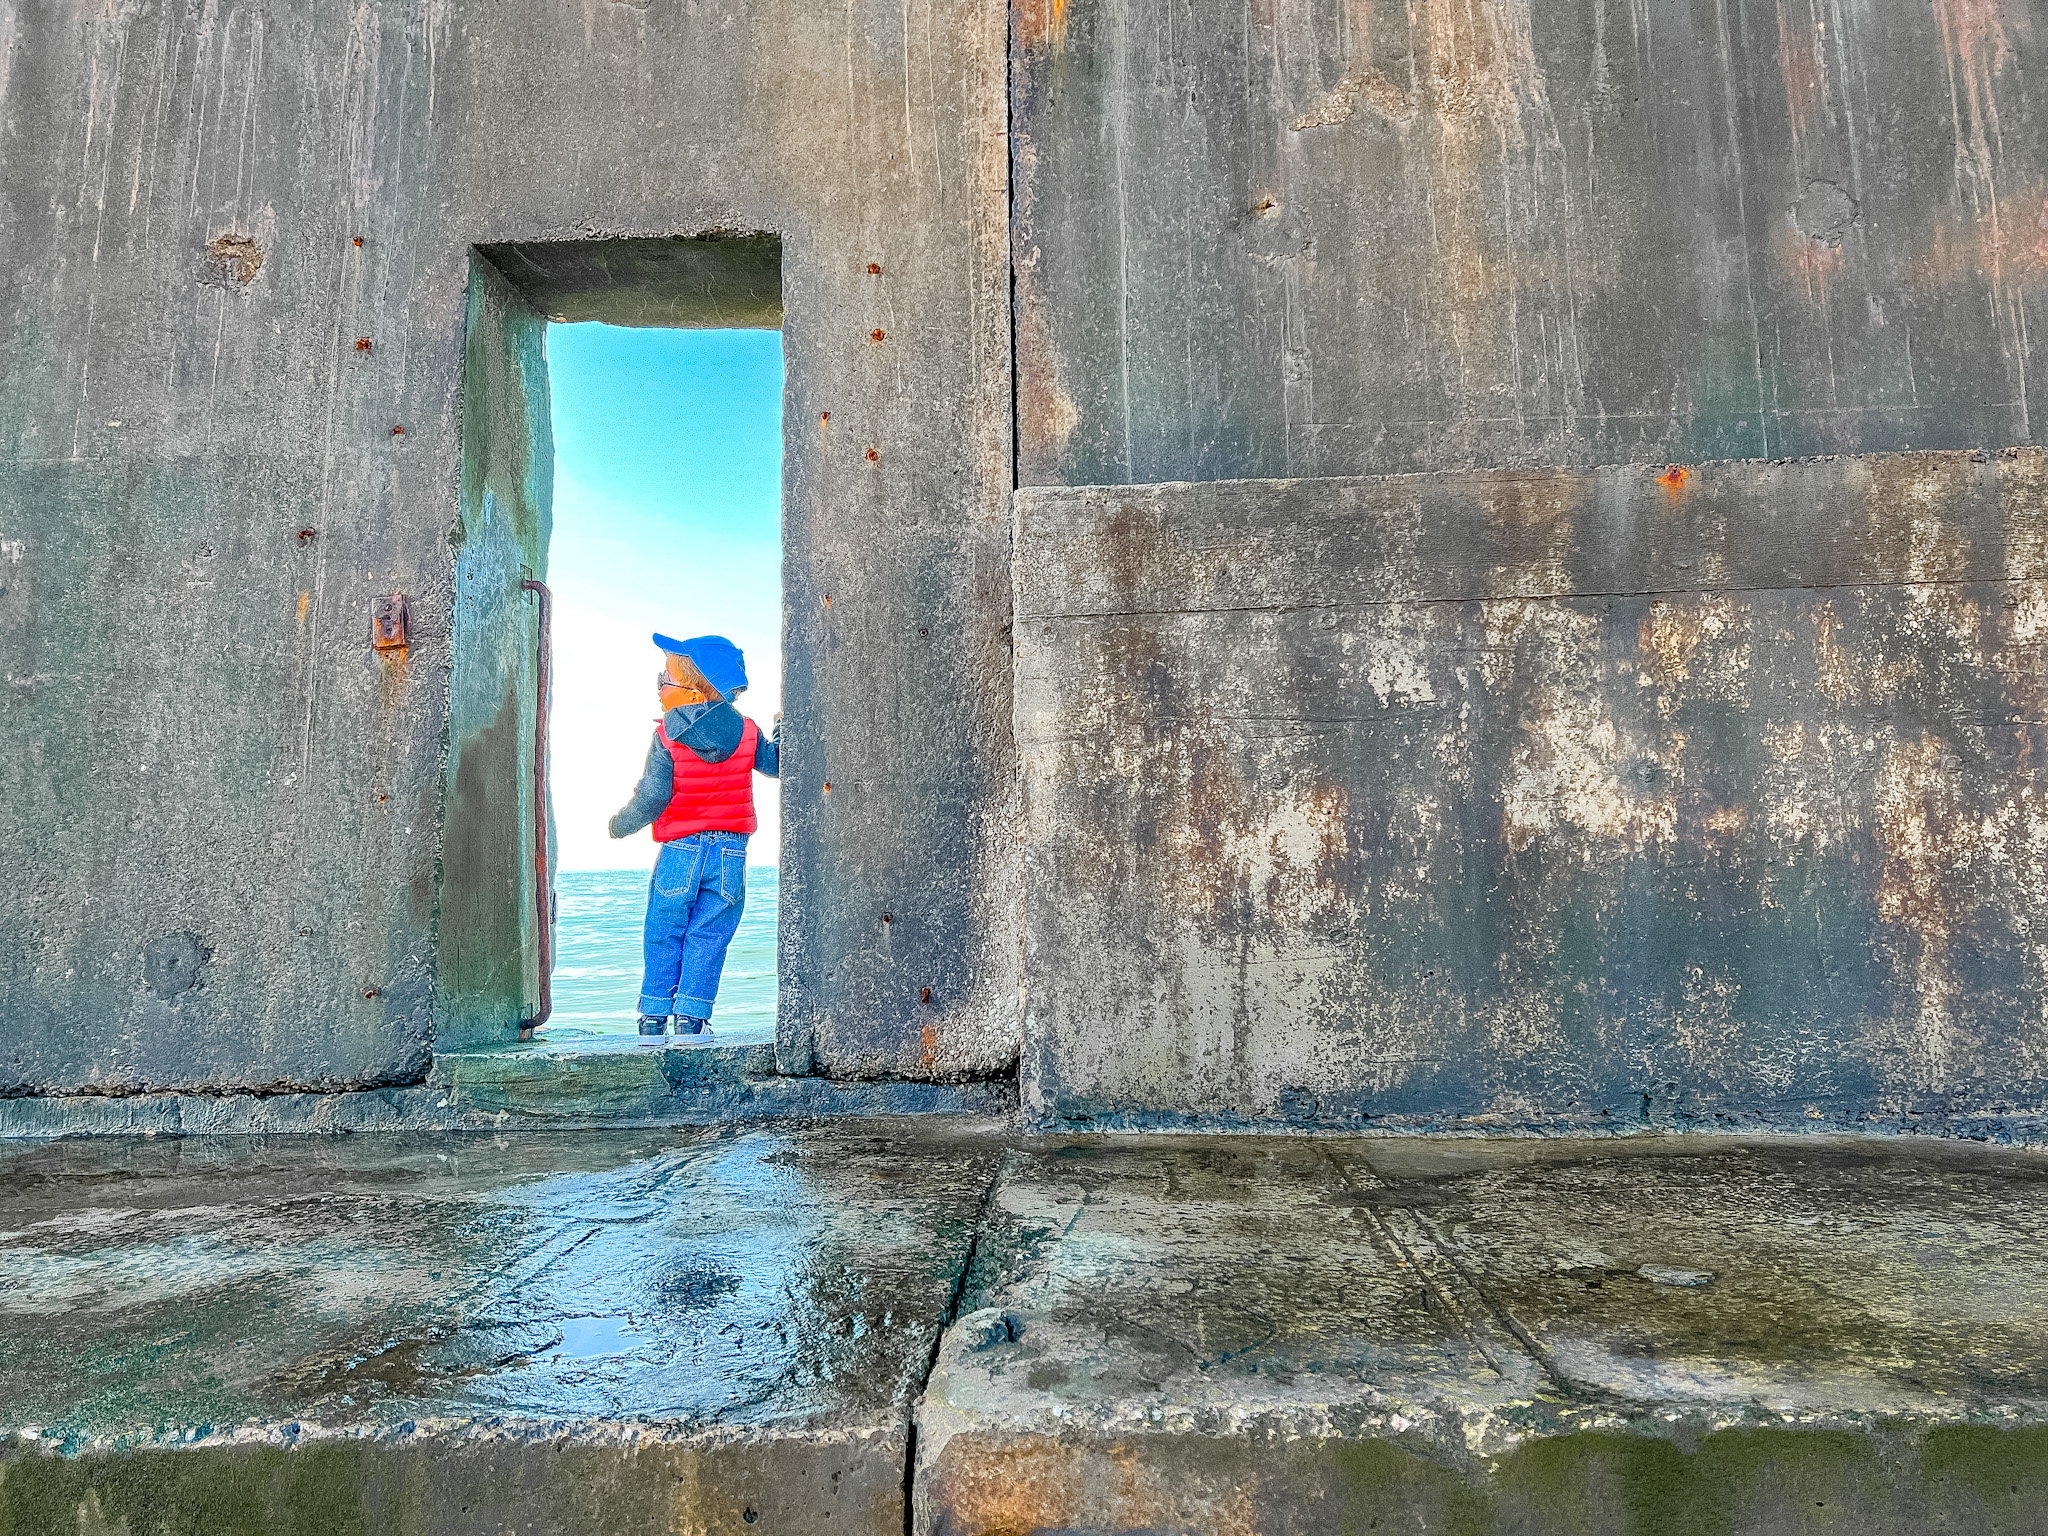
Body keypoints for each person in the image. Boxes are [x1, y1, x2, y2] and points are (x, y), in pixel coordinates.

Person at [608, 633, 779, 1046]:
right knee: (710, 933)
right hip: (729, 853)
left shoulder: (667, 735)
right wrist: (783, 728)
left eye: (665, 678)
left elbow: (653, 796)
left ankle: (652, 1020)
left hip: (680, 849)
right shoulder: (748, 732)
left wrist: (620, 824)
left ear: (691, 686)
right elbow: (777, 765)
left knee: (664, 929)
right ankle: (691, 1023)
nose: (659, 686)